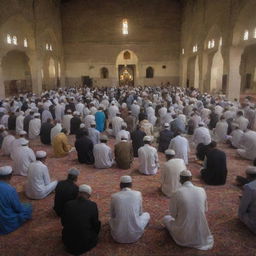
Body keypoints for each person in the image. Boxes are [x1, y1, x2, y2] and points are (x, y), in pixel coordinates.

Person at [163, 170, 214, 250]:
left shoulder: (176, 193)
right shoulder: (201, 190)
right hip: (200, 234)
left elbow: (173, 215)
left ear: (180, 180)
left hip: (183, 237)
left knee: (166, 218)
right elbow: (205, 210)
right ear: (191, 178)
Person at [61, 184, 101, 255]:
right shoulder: (92, 205)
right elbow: (95, 225)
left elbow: (63, 222)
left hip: (67, 242)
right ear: (89, 196)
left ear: (78, 193)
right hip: (86, 244)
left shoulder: (68, 204)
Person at [109, 176, 150, 243]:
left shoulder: (114, 196)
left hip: (117, 236)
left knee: (110, 220)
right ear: (131, 185)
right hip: (135, 235)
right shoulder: (138, 194)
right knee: (147, 215)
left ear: (120, 185)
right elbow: (140, 213)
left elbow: (112, 215)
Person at [0, 166, 32, 235]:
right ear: (10, 176)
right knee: (28, 207)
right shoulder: (10, 190)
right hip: (7, 223)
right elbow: (18, 208)